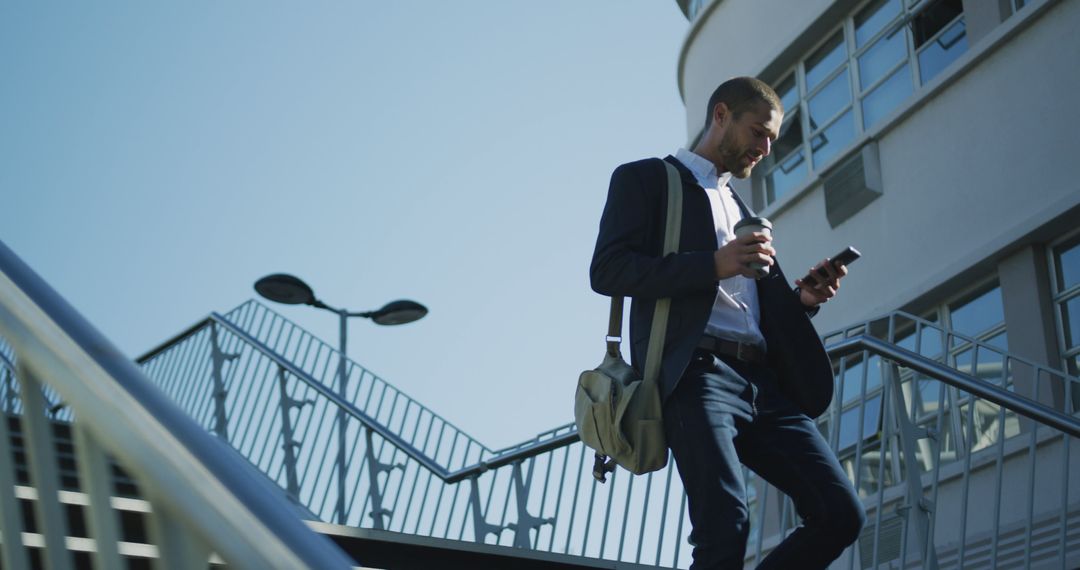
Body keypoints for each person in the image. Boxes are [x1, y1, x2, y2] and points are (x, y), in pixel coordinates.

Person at [589, 76, 865, 569]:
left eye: (772, 139)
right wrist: (713, 264)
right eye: (758, 132)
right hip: (696, 375)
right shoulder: (646, 179)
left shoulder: (743, 209)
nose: (764, 147)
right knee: (725, 529)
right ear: (721, 116)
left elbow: (748, 307)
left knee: (841, 513)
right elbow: (608, 270)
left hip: (764, 383)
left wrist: (802, 299)